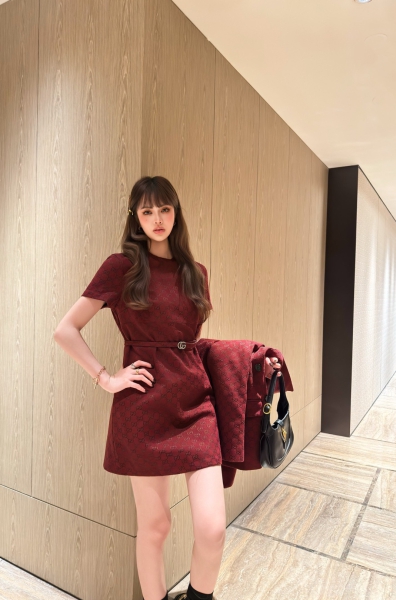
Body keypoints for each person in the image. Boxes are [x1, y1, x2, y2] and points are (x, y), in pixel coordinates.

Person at [54, 176, 282, 600]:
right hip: (142, 406)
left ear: (176, 213)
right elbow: (65, 330)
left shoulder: (196, 273)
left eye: (164, 209)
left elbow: (190, 345)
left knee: (212, 528)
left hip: (196, 405)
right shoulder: (121, 267)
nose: (157, 218)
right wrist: (107, 378)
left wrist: (253, 361)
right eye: (147, 211)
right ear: (136, 218)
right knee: (156, 527)